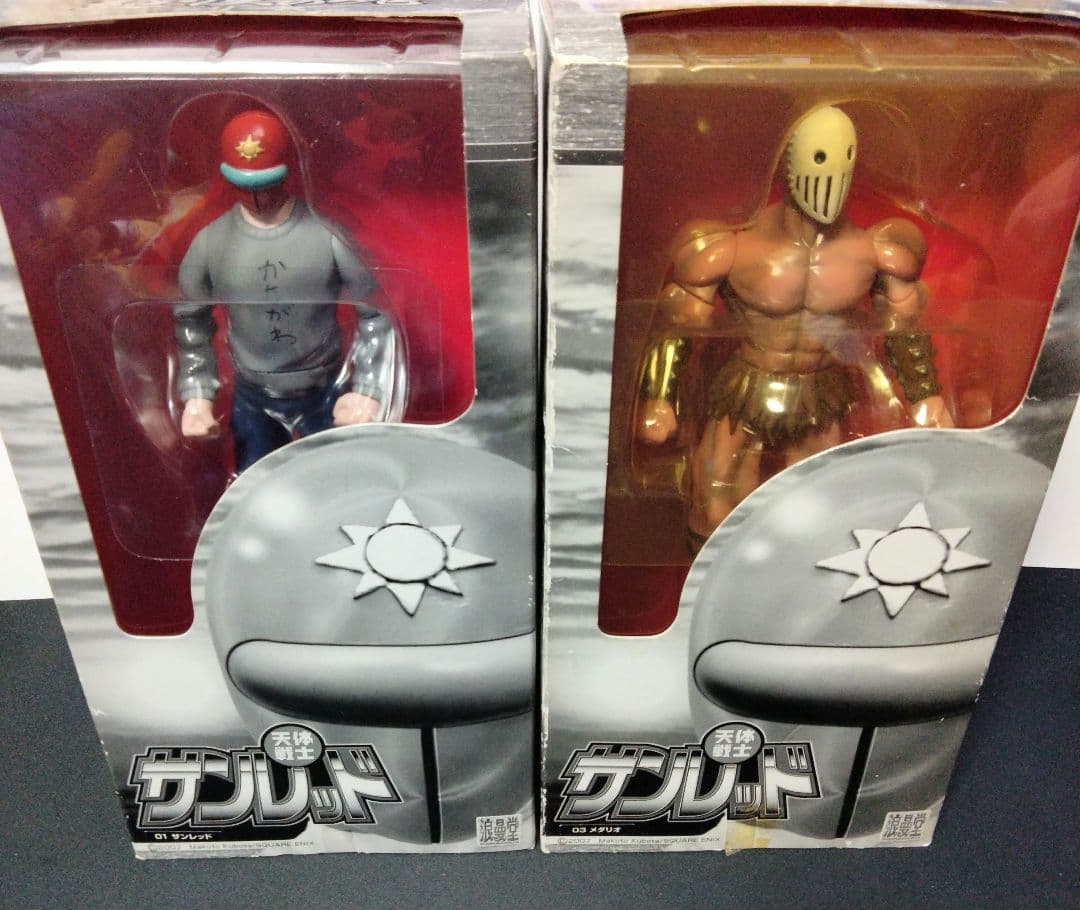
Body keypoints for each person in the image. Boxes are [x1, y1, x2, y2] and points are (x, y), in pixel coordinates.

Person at [637, 105, 953, 549]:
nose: (827, 176)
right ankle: (716, 586)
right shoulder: (730, 248)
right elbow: (679, 324)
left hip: (821, 391)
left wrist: (925, 395)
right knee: (715, 504)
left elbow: (903, 325)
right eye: (818, 158)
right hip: (747, 385)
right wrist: (659, 395)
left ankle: (792, 582)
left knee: (818, 509)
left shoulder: (878, 251)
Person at [174, 109, 400, 472]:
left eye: (268, 184)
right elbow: (190, 321)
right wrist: (197, 394)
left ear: (288, 174)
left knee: (342, 479)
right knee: (255, 483)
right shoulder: (210, 243)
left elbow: (376, 311)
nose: (257, 197)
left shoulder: (329, 235)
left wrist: (369, 388)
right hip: (253, 397)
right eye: (244, 185)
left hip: (324, 392)